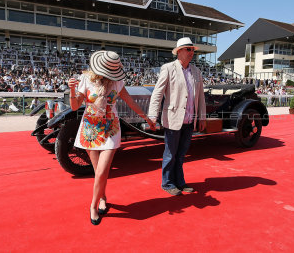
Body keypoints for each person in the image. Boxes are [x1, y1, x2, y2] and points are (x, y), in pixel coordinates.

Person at [67, 51, 156, 226]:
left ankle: (93, 206)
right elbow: (74, 106)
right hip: (90, 129)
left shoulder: (117, 82)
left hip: (111, 129)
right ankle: (103, 198)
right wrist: (71, 89)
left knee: (101, 172)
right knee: (99, 173)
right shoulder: (85, 80)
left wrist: (146, 118)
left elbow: (130, 102)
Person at [148, 37, 207, 196]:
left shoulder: (196, 71)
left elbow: (200, 96)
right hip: (173, 119)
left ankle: (179, 182)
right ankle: (167, 183)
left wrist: (202, 117)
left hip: (189, 120)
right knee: (170, 153)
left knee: (181, 155)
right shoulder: (168, 68)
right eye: (188, 49)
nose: (192, 52)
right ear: (179, 51)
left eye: (193, 49)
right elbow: (157, 93)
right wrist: (152, 115)